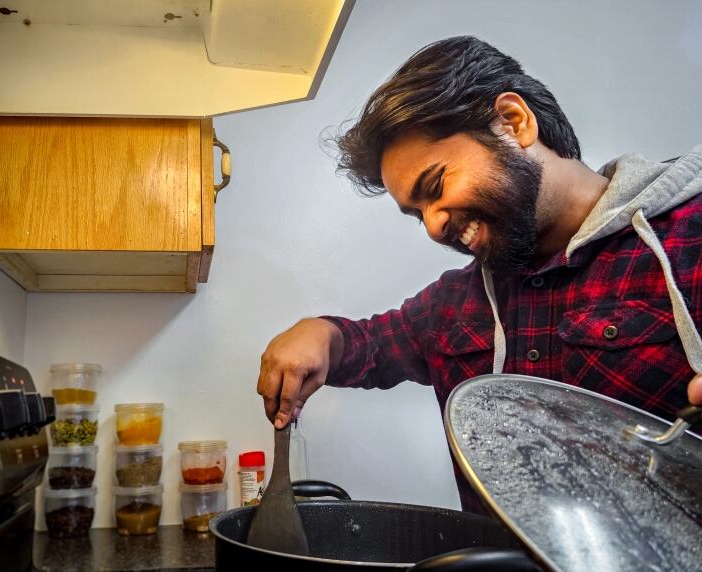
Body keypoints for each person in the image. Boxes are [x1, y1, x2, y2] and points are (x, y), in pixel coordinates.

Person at [256, 36, 702, 513]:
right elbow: (370, 345)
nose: (432, 226)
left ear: (514, 122)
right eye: (416, 213)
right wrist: (320, 333)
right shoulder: (456, 305)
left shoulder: (687, 239)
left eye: (434, 186)